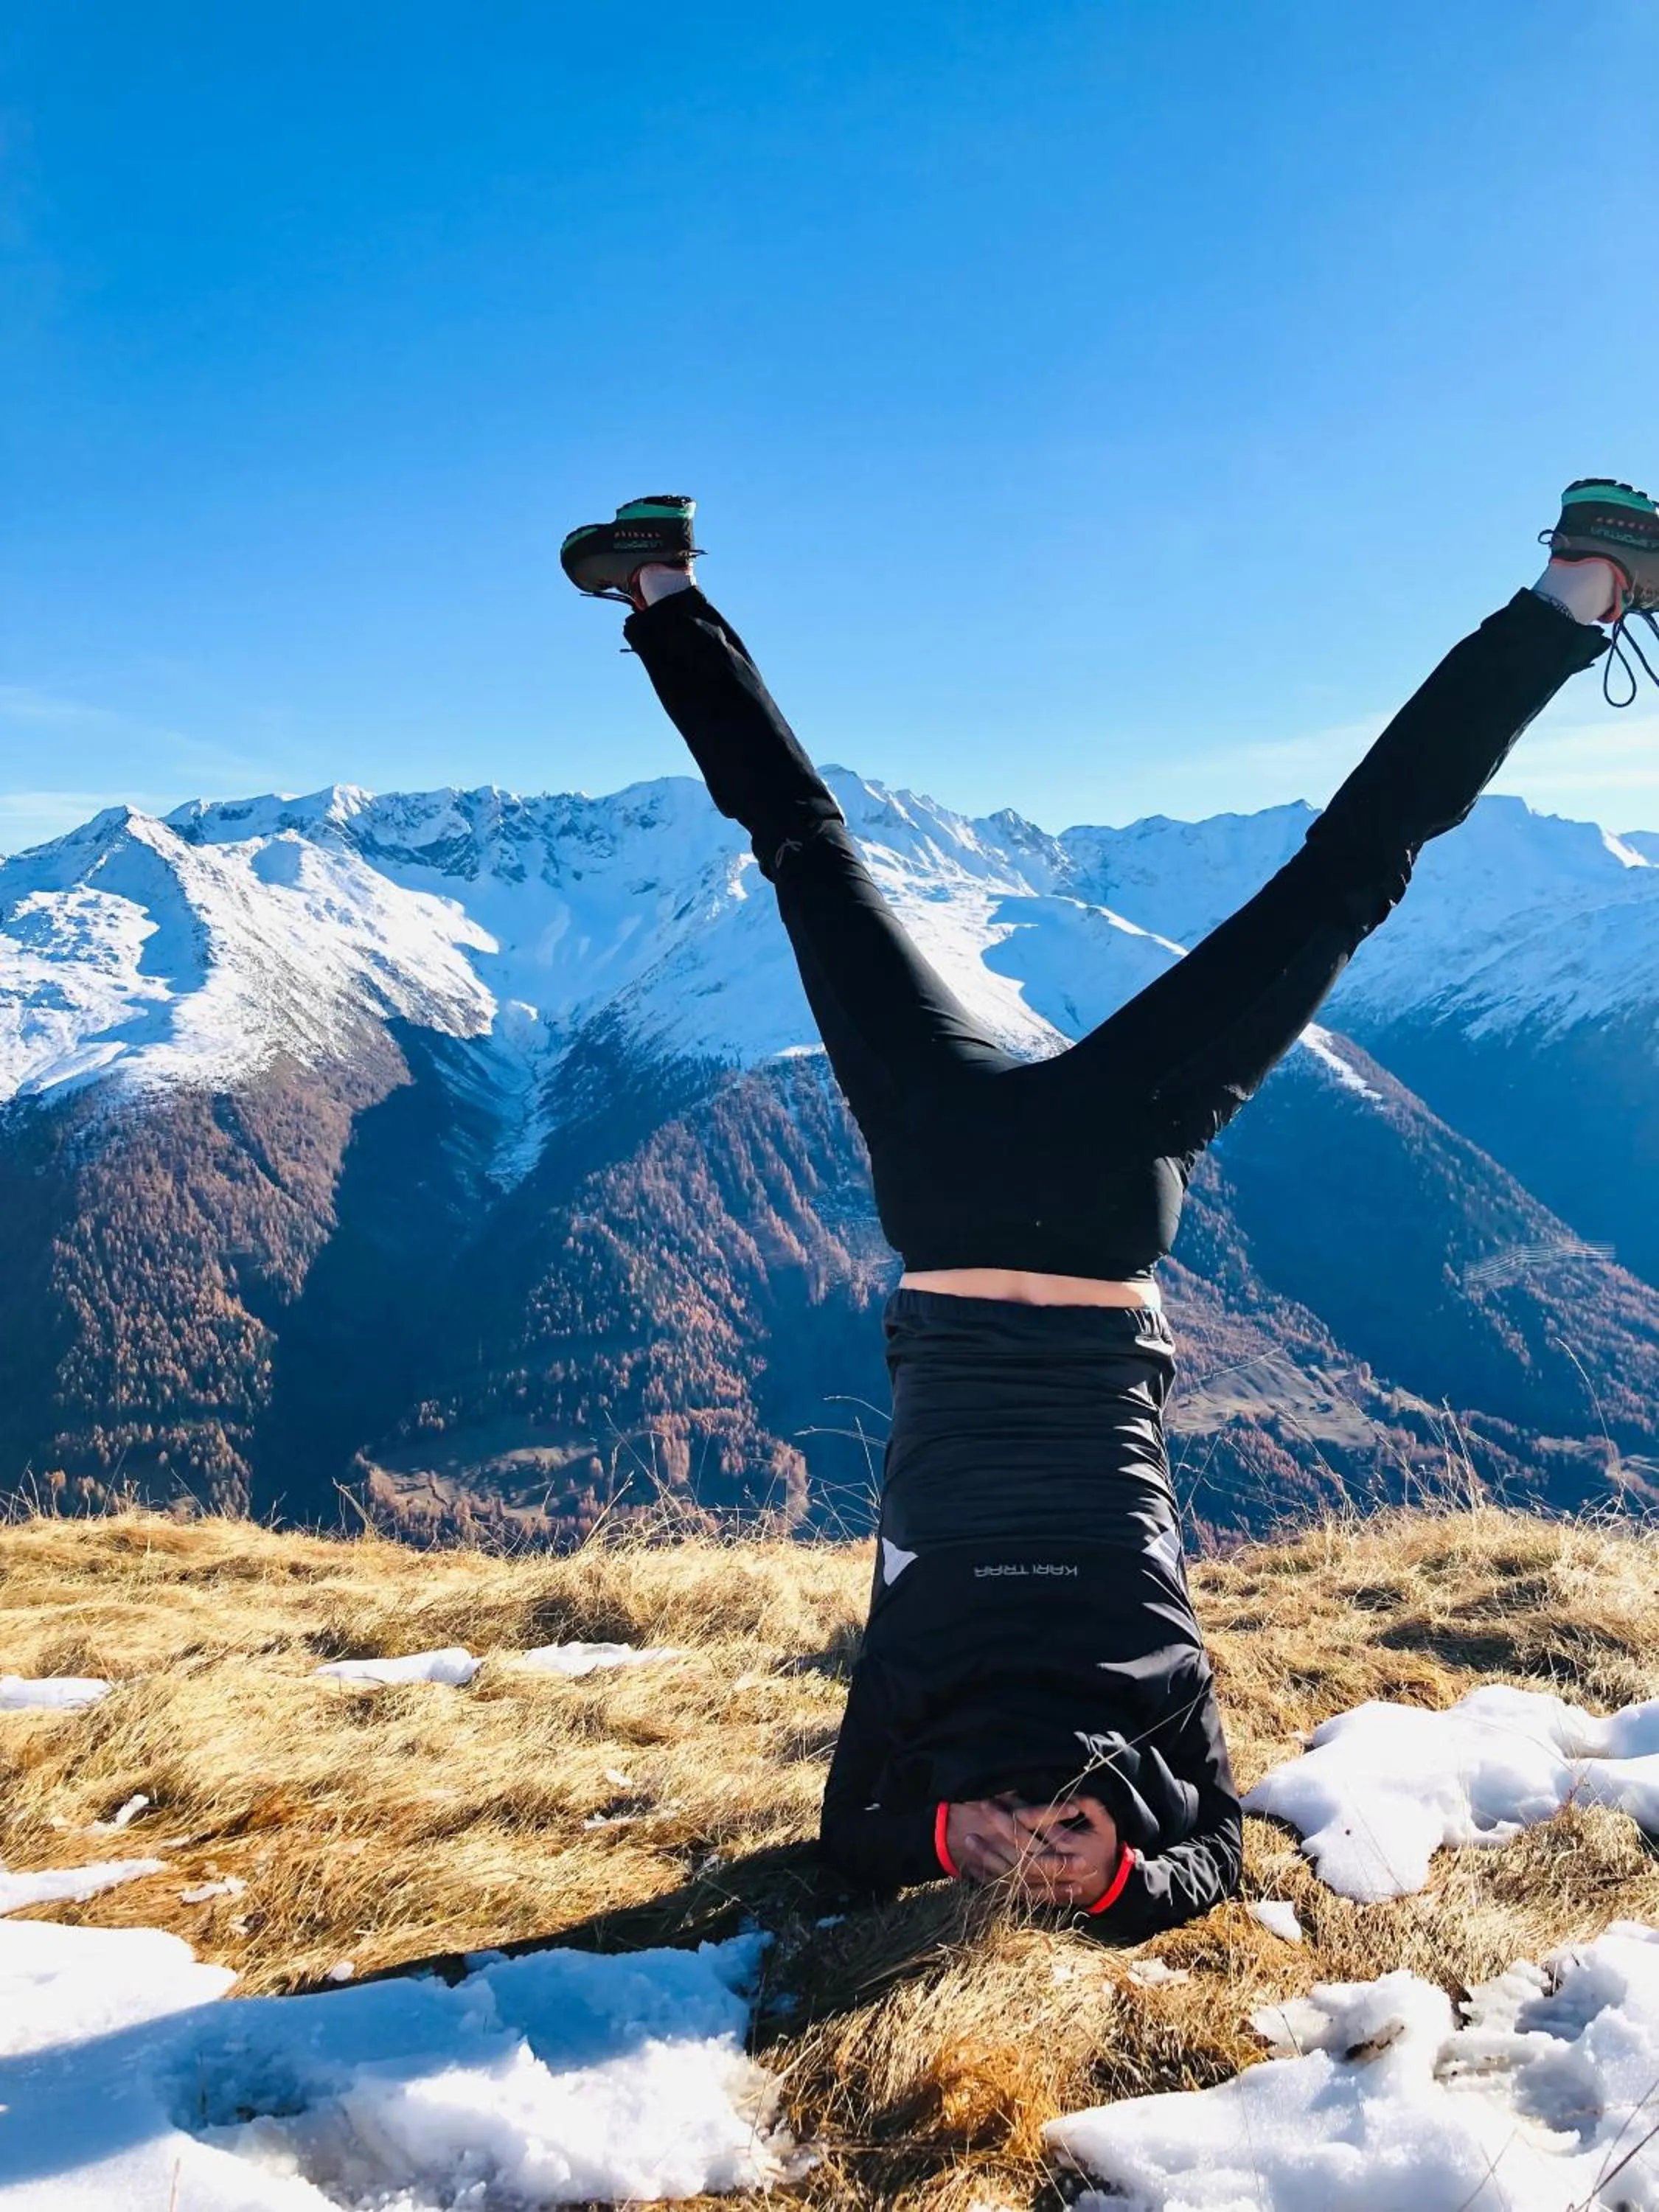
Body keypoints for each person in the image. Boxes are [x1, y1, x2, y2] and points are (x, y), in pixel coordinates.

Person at [560, 483, 1658, 1937]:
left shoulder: (945, 1770)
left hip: (1052, 1197)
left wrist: (957, 1838)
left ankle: (1585, 587)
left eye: (1022, 1852)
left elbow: (852, 1836)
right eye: (1059, 1850)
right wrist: (1126, 1868)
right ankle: (659, 589)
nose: (1042, 1843)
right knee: (806, 848)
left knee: (1348, 872)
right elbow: (1211, 1859)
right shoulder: (1155, 1750)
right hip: (963, 1184)